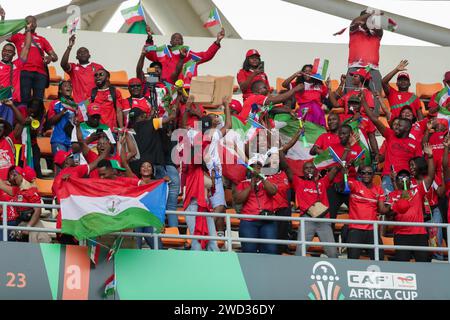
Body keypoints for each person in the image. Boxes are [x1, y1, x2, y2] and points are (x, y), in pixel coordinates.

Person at [129, 104, 180, 227]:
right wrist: (173, 107)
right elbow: (172, 117)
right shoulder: (151, 123)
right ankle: (174, 234)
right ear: (143, 116)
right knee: (171, 207)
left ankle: (153, 236)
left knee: (150, 206)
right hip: (157, 169)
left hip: (142, 172)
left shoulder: (130, 132)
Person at [361, 91, 422, 194]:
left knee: (405, 205)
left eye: (399, 126)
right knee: (388, 204)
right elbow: (374, 119)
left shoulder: (415, 144)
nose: (396, 127)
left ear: (407, 128)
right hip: (389, 177)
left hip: (406, 179)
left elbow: (418, 165)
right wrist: (363, 101)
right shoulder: (390, 135)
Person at [387, 143, 435, 262]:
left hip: (419, 233)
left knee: (423, 266)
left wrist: (430, 157)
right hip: (401, 235)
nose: (404, 180)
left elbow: (431, 176)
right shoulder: (394, 195)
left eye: (406, 178)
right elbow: (390, 211)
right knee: (402, 268)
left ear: (409, 180)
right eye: (400, 178)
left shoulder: (417, 190)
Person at [52, 145, 109, 244]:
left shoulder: (55, 181)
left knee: (65, 257)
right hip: (76, 223)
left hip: (62, 224)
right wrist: (107, 149)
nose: (73, 158)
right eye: (71, 157)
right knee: (77, 256)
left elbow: (58, 202)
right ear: (66, 162)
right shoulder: (74, 170)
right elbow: (97, 162)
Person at [290, 160, 340, 258]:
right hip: (307, 219)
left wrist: (345, 151)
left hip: (323, 219)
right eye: (306, 168)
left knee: (333, 253)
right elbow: (286, 168)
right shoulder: (298, 182)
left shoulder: (323, 182)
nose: (309, 170)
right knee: (300, 252)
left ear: (315, 170)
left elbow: (336, 169)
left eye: (311, 168)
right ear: (303, 171)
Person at [144, 26, 225, 85]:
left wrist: (217, 41)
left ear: (182, 42)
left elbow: (206, 55)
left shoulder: (188, 55)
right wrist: (149, 38)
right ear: (170, 41)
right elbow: (148, 53)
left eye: (180, 39)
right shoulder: (162, 52)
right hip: (162, 86)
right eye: (175, 38)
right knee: (144, 79)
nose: (177, 40)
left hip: (180, 90)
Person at [8, 15, 58, 103]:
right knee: (24, 98)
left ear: (36, 25)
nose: (30, 24)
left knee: (38, 102)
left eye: (33, 22)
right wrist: (3, 18)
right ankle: (23, 116)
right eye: (28, 22)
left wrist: (50, 57)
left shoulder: (42, 39)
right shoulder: (18, 36)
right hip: (24, 71)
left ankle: (36, 117)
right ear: (24, 25)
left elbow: (55, 57)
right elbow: (4, 34)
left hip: (41, 74)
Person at [344, 165, 389, 260]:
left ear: (373, 175)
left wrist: (390, 205)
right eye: (363, 173)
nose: (366, 175)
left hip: (372, 229)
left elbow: (382, 210)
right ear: (359, 174)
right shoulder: (354, 185)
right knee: (352, 260)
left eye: (369, 173)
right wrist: (345, 173)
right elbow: (345, 184)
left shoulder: (379, 189)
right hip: (355, 229)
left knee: (379, 259)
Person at [0, 165, 50, 243]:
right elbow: (1, 185)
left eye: (15, 174)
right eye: (11, 174)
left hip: (30, 223)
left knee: (38, 239)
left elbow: (37, 211)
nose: (12, 177)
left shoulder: (31, 191)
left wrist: (28, 227)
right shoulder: (18, 190)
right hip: (20, 222)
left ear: (22, 176)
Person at [409, 155, 444, 260]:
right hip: (417, 215)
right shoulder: (409, 182)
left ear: (420, 165)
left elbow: (441, 193)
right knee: (419, 241)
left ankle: (438, 261)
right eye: (409, 166)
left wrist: (442, 178)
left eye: (412, 165)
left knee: (435, 240)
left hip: (433, 213)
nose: (410, 168)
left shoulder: (431, 178)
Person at [325, 124, 363, 222]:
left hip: (351, 186)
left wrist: (354, 164)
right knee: (330, 215)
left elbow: (361, 169)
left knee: (356, 214)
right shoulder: (332, 148)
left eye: (344, 134)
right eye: (340, 133)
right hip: (335, 186)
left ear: (351, 134)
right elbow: (329, 168)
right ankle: (331, 236)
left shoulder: (357, 148)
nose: (341, 136)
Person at [345, 9, 383, 100]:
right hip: (354, 68)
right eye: (365, 18)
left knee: (375, 98)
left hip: (372, 69)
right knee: (352, 99)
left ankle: (373, 114)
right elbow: (355, 22)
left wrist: (373, 17)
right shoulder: (353, 30)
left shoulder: (377, 33)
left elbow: (378, 29)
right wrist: (370, 14)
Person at [60, 35, 104, 103]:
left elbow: (105, 83)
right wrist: (69, 47)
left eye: (85, 52)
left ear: (89, 56)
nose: (83, 53)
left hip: (95, 102)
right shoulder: (73, 68)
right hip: (80, 103)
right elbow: (63, 64)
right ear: (77, 57)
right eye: (80, 52)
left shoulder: (98, 67)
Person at [0, 20, 32, 108]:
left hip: (12, 102)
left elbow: (27, 47)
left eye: (9, 52)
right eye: (5, 51)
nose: (6, 53)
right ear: (2, 52)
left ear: (14, 54)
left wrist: (28, 30)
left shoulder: (17, 64)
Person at [238, 80, 304, 121]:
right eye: (264, 88)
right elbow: (278, 99)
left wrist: (289, 110)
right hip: (246, 124)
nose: (267, 89)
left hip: (246, 125)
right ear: (256, 91)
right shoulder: (256, 97)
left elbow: (272, 109)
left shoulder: (257, 99)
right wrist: (295, 89)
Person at [47, 80, 77, 154]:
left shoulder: (75, 105)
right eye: (65, 86)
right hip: (58, 139)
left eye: (70, 86)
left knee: (71, 164)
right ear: (60, 90)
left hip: (72, 141)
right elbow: (50, 122)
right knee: (60, 164)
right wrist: (62, 112)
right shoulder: (55, 103)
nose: (68, 87)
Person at [0, 102, 24, 180]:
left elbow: (21, 122)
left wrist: (11, 106)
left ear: (4, 129)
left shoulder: (9, 139)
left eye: (1, 126)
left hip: (10, 184)